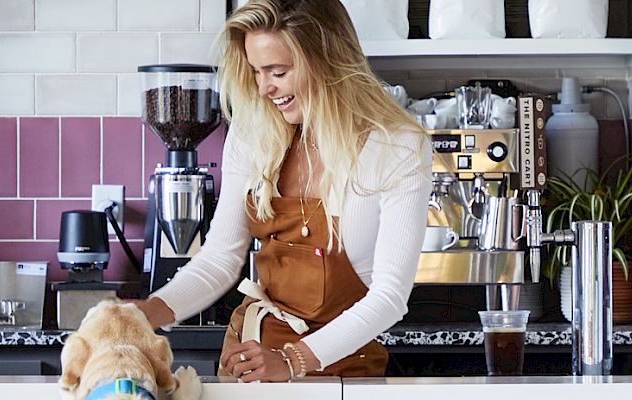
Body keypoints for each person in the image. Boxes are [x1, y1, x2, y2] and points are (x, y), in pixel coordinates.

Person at [131, 0, 431, 383]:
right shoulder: (253, 133)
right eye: (256, 72)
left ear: (328, 60)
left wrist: (293, 361)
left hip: (342, 374)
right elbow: (220, 259)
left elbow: (389, 297)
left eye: (278, 71)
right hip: (249, 364)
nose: (263, 88)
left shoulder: (395, 146)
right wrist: (149, 312)